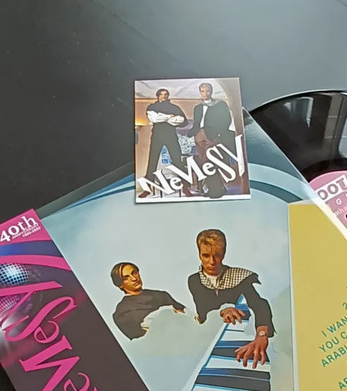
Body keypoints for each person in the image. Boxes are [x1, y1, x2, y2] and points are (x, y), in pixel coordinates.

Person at [187, 229, 274, 368]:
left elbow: (260, 305)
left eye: (217, 255)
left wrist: (262, 335)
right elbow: (203, 311)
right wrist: (223, 310)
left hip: (241, 341)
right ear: (199, 255)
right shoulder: (194, 281)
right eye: (206, 255)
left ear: (224, 254)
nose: (212, 262)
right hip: (208, 343)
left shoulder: (241, 277)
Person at [138, 88, 191, 199]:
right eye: (161, 94)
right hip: (157, 136)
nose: (164, 96)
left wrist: (162, 117)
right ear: (157, 96)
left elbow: (182, 120)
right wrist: (170, 117)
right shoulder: (152, 107)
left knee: (178, 161)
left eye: (166, 94)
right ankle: (147, 189)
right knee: (152, 162)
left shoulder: (174, 108)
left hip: (171, 136)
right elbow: (154, 119)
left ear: (168, 96)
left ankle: (186, 188)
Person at [111, 262, 185, 339]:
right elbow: (143, 340)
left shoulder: (162, 295)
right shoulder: (122, 313)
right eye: (126, 278)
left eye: (134, 273)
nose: (134, 279)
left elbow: (187, 315)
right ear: (120, 284)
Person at [186, 82, 236, 198]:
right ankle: (212, 189)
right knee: (204, 163)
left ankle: (217, 190)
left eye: (207, 91)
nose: (205, 93)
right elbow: (197, 123)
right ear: (200, 92)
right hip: (199, 135)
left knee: (213, 161)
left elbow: (226, 121)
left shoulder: (220, 105)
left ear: (211, 91)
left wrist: (218, 136)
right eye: (202, 91)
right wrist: (192, 133)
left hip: (212, 135)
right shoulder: (197, 108)